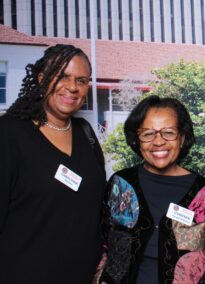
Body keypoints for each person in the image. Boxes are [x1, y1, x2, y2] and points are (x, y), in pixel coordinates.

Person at [0, 44, 106, 283]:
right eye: (62, 77)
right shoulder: (9, 133)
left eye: (81, 80)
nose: (72, 87)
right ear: (41, 78)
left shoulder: (86, 134)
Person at [97, 95, 205, 284]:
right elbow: (102, 248)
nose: (158, 142)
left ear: (182, 137)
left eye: (168, 132)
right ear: (137, 139)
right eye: (148, 133)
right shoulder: (121, 184)